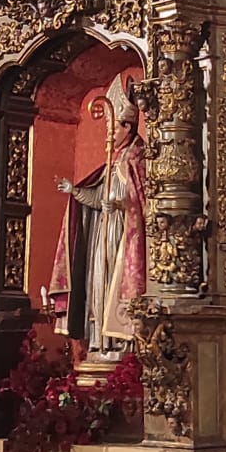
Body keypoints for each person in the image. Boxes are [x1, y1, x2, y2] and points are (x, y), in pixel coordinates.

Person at [51, 74, 147, 357]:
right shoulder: (112, 159)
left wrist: (119, 204)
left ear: (127, 126)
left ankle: (120, 343)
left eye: (113, 126)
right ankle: (98, 341)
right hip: (102, 234)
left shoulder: (136, 157)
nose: (109, 132)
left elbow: (142, 201)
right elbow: (96, 198)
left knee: (115, 285)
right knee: (97, 283)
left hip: (124, 235)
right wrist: (74, 191)